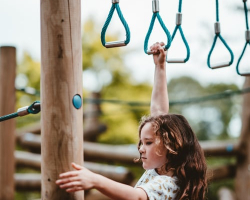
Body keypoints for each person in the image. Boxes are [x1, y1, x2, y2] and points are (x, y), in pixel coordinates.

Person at [56, 42, 207, 200]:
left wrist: (95, 180)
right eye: (142, 142)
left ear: (171, 146)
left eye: (148, 142)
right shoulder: (159, 169)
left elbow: (136, 197)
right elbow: (159, 111)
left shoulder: (168, 184)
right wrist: (160, 67)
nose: (141, 148)